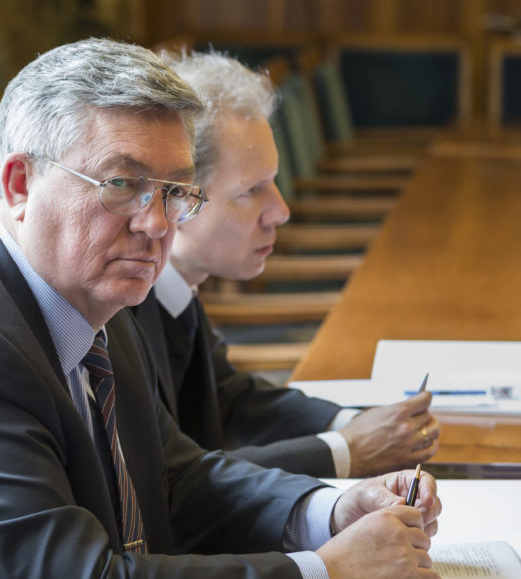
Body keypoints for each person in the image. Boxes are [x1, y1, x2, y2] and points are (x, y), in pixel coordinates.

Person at [0, 38, 443, 579]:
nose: (155, 224)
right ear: (18, 184)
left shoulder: (95, 294)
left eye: (175, 191)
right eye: (122, 185)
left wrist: (328, 510)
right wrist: (329, 577)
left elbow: (172, 480)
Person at [128, 50, 439, 479]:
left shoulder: (176, 287)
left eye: (272, 182)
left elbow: (227, 395)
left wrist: (355, 423)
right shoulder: (119, 309)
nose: (281, 211)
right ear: (180, 197)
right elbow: (170, 482)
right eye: (252, 190)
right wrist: (345, 449)